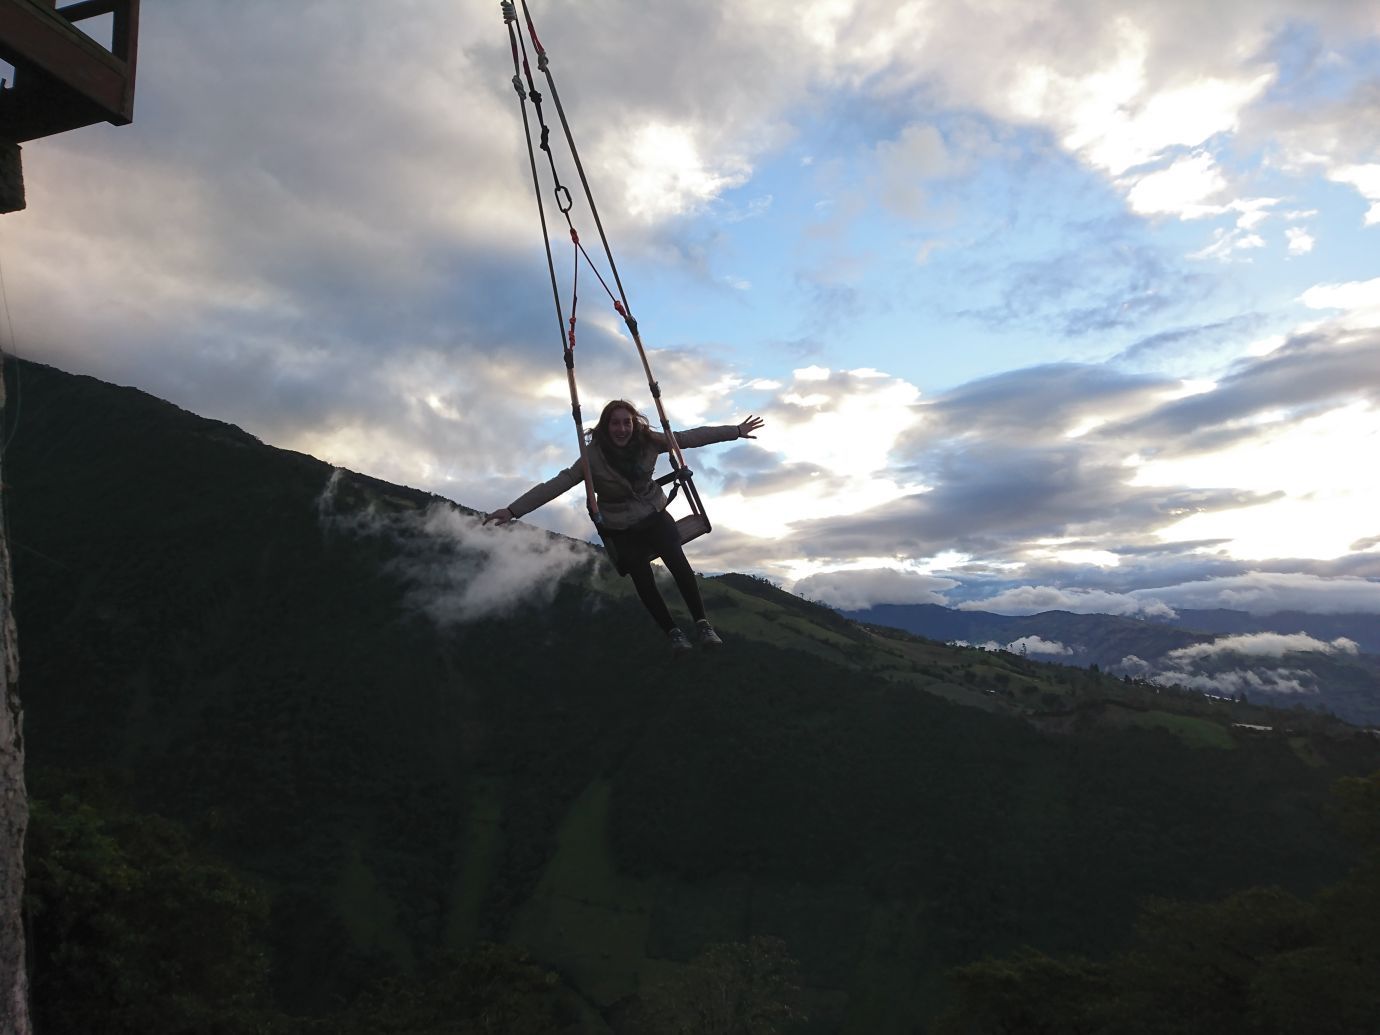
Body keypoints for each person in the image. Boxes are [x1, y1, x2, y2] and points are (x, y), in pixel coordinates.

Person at [485, 399, 765, 654]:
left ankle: (702, 624)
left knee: (676, 558)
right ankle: (673, 631)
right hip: (621, 526)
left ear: (635, 424)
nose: (622, 429)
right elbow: (557, 484)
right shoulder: (592, 457)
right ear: (606, 426)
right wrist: (513, 510)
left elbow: (687, 438)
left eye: (626, 422)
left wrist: (735, 431)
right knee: (640, 574)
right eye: (615, 423)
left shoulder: (648, 441)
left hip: (653, 513)